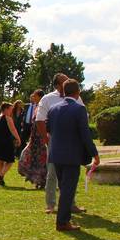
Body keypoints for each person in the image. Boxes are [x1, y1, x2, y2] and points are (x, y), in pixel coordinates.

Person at [46, 80, 100, 232]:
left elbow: (49, 128)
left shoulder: (53, 108)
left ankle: (63, 220)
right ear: (78, 92)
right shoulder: (79, 109)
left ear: (63, 91)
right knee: (68, 190)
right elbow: (85, 134)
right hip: (71, 155)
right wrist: (94, 153)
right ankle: (62, 222)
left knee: (64, 188)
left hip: (56, 154)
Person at [36, 73, 86, 216]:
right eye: (64, 81)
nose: (68, 83)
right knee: (52, 172)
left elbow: (83, 116)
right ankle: (51, 204)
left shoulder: (77, 98)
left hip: (72, 141)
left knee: (71, 174)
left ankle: (71, 203)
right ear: (57, 85)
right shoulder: (47, 99)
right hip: (55, 141)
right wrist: (45, 138)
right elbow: (40, 120)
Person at [18, 90, 47, 188]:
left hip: (40, 137)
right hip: (34, 137)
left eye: (35, 96)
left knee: (41, 159)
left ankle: (41, 180)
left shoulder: (43, 107)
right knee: (32, 157)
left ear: (40, 97)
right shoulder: (37, 107)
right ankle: (37, 180)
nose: (33, 98)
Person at [0, 102, 22, 186]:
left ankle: (1, 178)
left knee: (0, 161)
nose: (12, 111)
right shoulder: (8, 118)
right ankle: (1, 175)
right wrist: (18, 139)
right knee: (10, 161)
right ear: (6, 109)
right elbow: (13, 130)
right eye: (11, 109)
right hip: (6, 141)